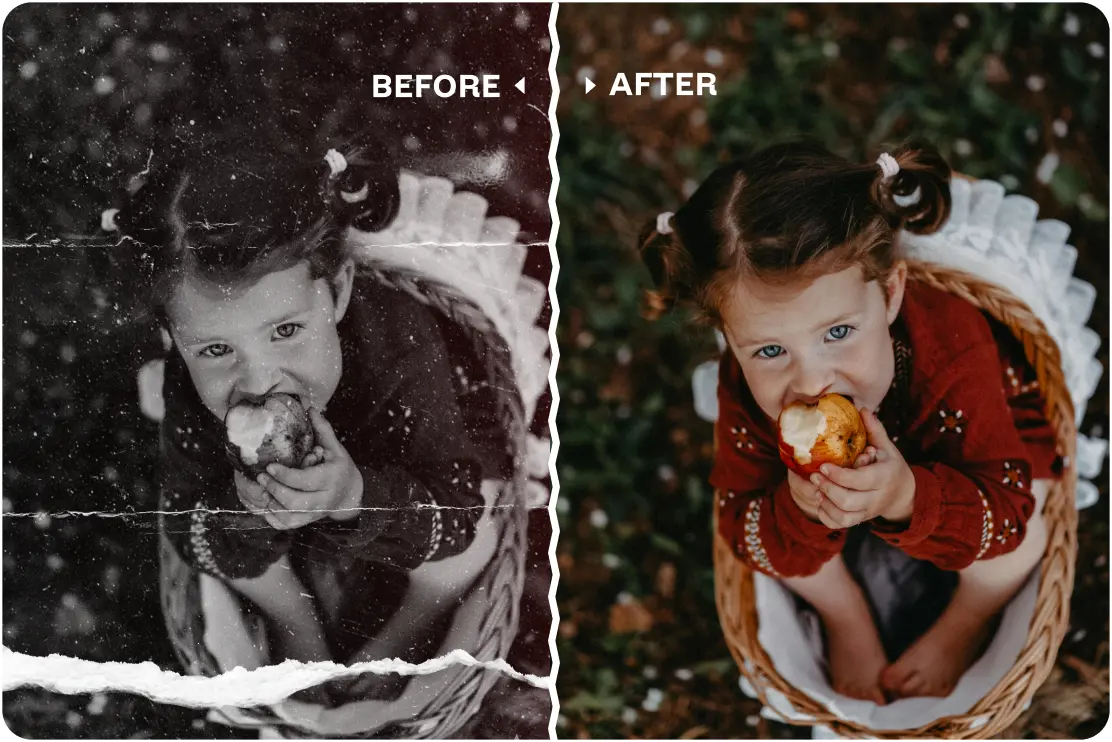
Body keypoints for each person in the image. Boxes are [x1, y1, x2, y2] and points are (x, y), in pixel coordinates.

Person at [638, 141, 1059, 703]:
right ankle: (847, 617)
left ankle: (964, 622)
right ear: (731, 344)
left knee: (1027, 540)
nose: (812, 384)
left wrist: (907, 496)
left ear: (888, 295)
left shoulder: (952, 354)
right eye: (768, 351)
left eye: (838, 333)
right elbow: (740, 526)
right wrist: (799, 509)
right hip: (831, 515)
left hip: (971, 471)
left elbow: (1006, 511)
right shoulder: (743, 393)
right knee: (777, 553)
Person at [100, 134, 507, 676]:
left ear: (337, 292)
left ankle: (401, 637)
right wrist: (245, 515)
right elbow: (187, 527)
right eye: (217, 350)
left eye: (287, 330)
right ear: (173, 337)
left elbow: (454, 510)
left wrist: (355, 497)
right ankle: (298, 622)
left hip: (403, 480)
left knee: (478, 537)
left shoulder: (398, 347)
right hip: (271, 527)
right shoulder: (186, 388)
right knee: (227, 560)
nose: (260, 381)